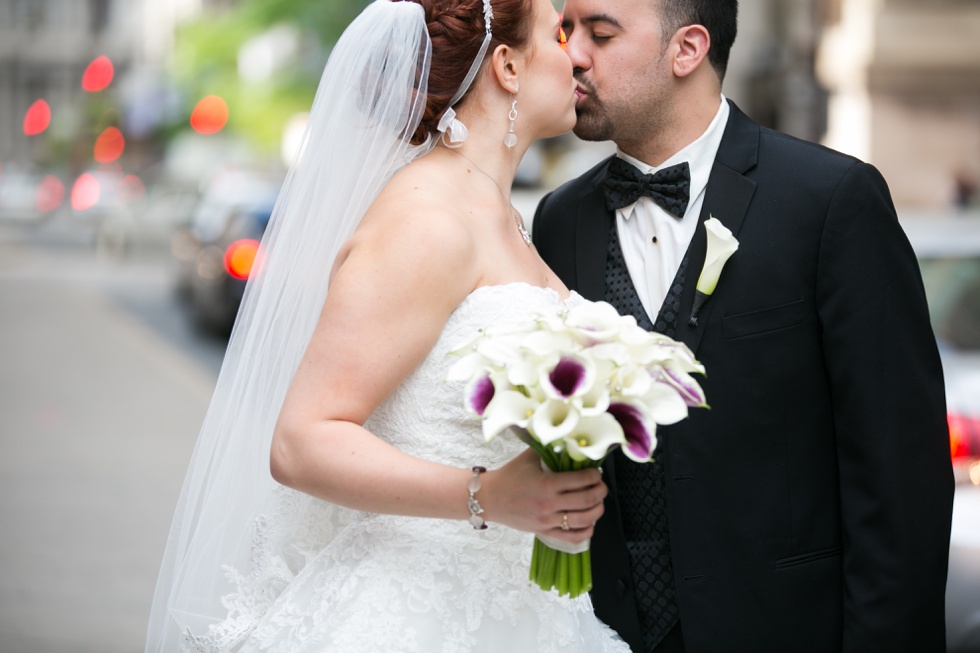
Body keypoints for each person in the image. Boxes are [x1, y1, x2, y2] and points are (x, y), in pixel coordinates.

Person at [145, 0, 631, 651]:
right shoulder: (426, 219)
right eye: (559, 32)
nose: (576, 55)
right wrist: (488, 494)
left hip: (518, 607)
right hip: (413, 614)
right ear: (508, 65)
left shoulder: (501, 217)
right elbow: (301, 440)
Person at [532, 0, 954, 651]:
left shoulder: (830, 200)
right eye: (566, 30)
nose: (573, 54)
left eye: (600, 32)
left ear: (688, 49)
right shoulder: (559, 222)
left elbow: (900, 483)